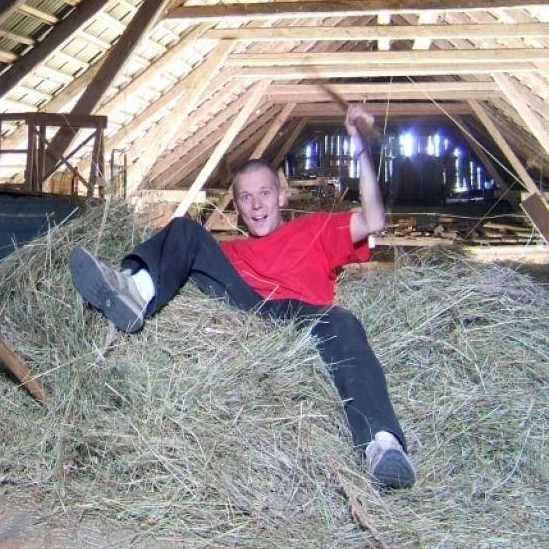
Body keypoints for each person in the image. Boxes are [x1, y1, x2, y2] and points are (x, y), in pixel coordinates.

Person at [69, 106, 415, 489]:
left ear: (282, 197)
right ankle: (133, 291)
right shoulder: (230, 253)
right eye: (246, 197)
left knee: (345, 322)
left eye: (264, 193)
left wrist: (359, 144)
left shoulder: (316, 230)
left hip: (302, 315)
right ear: (236, 206)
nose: (256, 205)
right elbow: (188, 256)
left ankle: (381, 445)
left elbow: (375, 219)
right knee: (184, 229)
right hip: (246, 306)